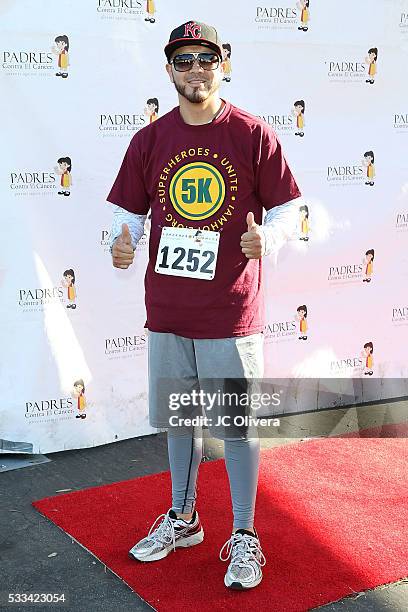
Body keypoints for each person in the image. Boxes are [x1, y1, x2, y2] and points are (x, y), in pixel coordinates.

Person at [106, 20, 302, 590]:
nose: (196, 68)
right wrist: (120, 244)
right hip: (168, 308)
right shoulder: (148, 141)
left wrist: (272, 239)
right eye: (184, 59)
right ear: (169, 69)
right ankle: (184, 517)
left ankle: (244, 534)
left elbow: (290, 209)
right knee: (178, 421)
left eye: (205, 58)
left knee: (235, 426)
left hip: (230, 309)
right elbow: (127, 216)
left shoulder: (251, 133)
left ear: (223, 63)